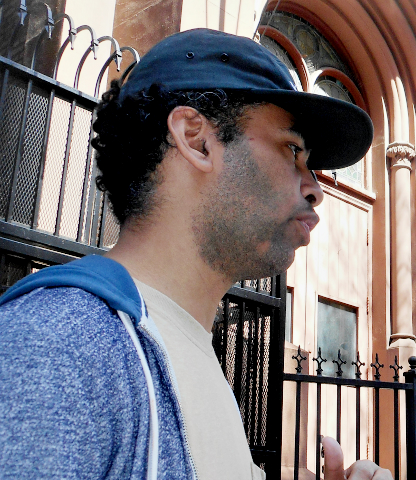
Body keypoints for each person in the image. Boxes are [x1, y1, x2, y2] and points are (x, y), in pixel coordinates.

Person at [0, 28, 392, 480]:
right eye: (292, 149)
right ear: (196, 139)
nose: (315, 189)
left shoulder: (188, 354)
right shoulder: (58, 350)